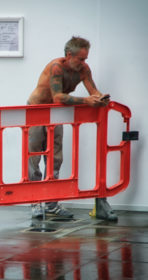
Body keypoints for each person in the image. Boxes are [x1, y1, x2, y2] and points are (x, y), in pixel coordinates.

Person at [27, 36, 111, 219]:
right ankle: (34, 201)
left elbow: (93, 92)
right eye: (81, 59)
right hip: (36, 110)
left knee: (55, 157)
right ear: (69, 55)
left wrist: (100, 98)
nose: (84, 62)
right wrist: (87, 101)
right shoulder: (56, 67)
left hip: (55, 114)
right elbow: (58, 97)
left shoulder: (84, 69)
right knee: (33, 156)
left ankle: (51, 203)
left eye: (85, 58)